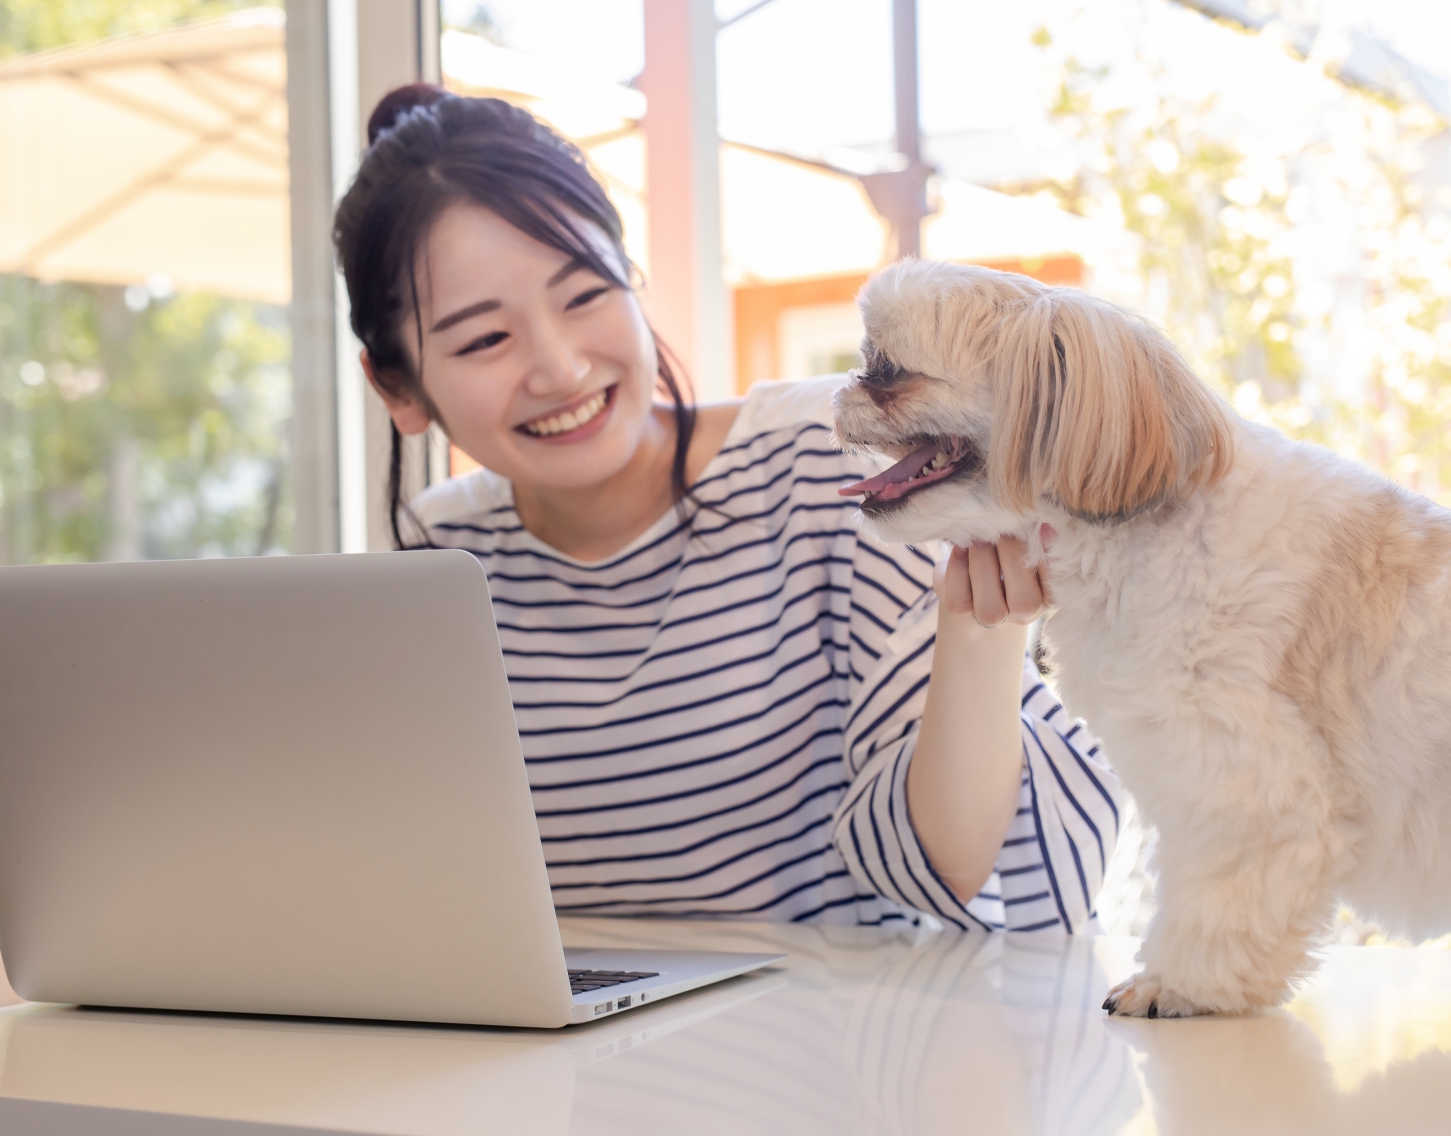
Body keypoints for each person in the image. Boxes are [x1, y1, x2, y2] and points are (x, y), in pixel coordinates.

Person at [334, 84, 1122, 931]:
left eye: (584, 294)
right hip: (564, 1063)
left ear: (632, 281)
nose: (558, 368)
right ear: (398, 387)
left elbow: (952, 869)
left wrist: (981, 630)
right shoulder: (444, 554)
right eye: (486, 339)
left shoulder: (833, 464)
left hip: (844, 1053)